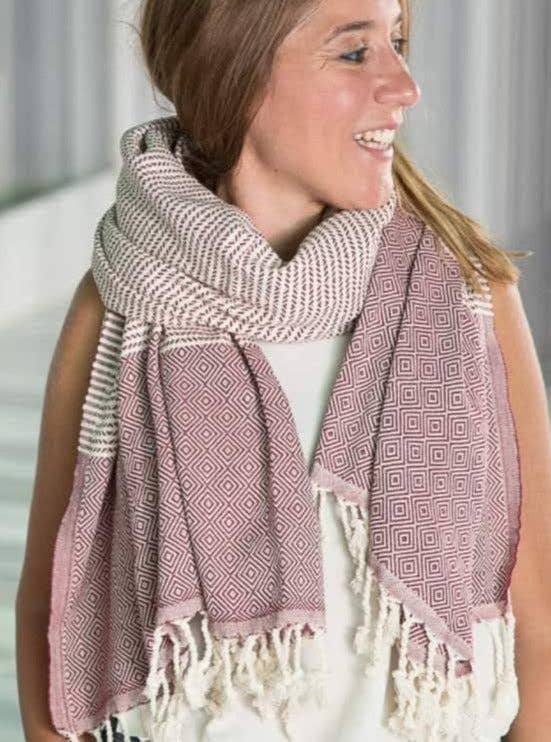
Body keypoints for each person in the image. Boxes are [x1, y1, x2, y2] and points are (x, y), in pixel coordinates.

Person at [15, 1, 551, 741]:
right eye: (354, 53)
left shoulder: (468, 297)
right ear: (236, 73)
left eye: (397, 42)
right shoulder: (124, 303)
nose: (405, 85)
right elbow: (53, 607)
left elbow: (536, 612)